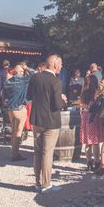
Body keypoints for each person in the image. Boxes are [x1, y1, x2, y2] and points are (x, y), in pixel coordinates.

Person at [28, 54, 66, 193]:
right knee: (47, 153)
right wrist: (63, 100)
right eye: (60, 64)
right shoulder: (56, 81)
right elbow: (57, 105)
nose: (61, 66)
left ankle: (37, 182)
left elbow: (29, 96)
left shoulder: (35, 77)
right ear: (55, 65)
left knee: (37, 152)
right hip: (51, 121)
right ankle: (46, 184)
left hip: (37, 119)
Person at [3, 64, 35, 161]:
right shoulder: (23, 80)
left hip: (10, 109)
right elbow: (33, 75)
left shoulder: (8, 81)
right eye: (22, 71)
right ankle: (15, 154)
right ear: (20, 72)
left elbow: (4, 95)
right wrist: (26, 68)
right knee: (18, 132)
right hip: (20, 108)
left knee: (14, 131)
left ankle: (13, 152)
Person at [80, 73, 103, 173]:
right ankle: (97, 162)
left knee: (87, 142)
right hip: (94, 117)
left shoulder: (84, 92)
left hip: (86, 116)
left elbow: (82, 105)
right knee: (95, 142)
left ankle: (89, 163)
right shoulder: (97, 93)